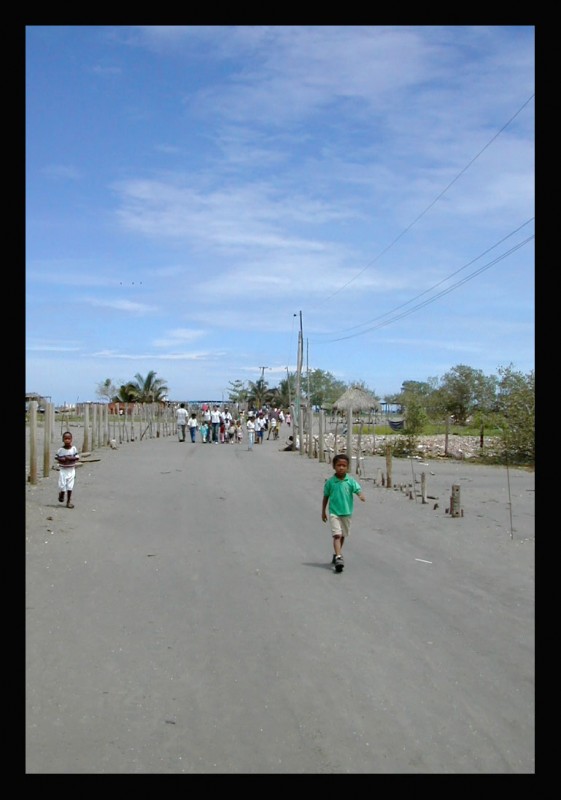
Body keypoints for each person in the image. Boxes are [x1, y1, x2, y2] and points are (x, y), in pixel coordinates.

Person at [321, 453, 365, 572]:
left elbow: (357, 489)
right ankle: (339, 557)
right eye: (338, 465)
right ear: (334, 466)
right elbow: (325, 497)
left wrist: (361, 495)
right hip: (334, 513)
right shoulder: (330, 482)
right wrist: (323, 512)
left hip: (346, 513)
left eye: (344, 465)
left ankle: (337, 553)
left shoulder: (350, 481)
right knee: (337, 535)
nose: (341, 467)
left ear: (347, 467)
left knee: (343, 535)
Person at [55, 430, 80, 508]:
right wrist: (63, 459)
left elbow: (77, 458)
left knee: (70, 486)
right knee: (62, 485)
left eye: (69, 439)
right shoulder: (60, 450)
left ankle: (68, 501)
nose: (67, 440)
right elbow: (57, 458)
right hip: (63, 470)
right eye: (65, 439)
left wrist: (69, 458)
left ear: (71, 439)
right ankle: (62, 493)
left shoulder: (73, 449)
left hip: (71, 470)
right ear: (63, 440)